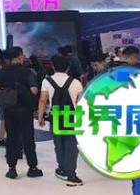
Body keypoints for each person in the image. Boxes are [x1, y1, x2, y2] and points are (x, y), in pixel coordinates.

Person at [0, 46, 42, 180]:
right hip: (25, 110)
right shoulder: (27, 72)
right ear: (20, 56)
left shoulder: (3, 71)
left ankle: (12, 168)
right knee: (28, 138)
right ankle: (32, 168)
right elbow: (33, 90)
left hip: (9, 109)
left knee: (11, 138)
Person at [37, 55, 84, 187]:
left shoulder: (47, 81)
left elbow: (43, 100)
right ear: (68, 67)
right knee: (71, 144)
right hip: (72, 115)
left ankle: (62, 169)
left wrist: (40, 116)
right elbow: (81, 101)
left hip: (56, 114)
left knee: (58, 143)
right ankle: (71, 174)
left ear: (53, 67)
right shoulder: (75, 82)